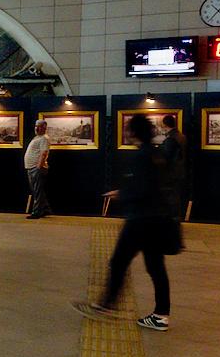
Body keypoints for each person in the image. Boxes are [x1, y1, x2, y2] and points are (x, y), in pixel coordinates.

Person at [73, 114, 173, 331]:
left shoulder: (141, 156)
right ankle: (161, 315)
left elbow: (141, 190)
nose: (126, 132)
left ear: (134, 132)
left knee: (119, 262)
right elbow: (154, 186)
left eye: (128, 129)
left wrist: (122, 194)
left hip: (140, 220)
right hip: (157, 219)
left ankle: (106, 306)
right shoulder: (156, 153)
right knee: (156, 267)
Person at [159, 114, 186, 226]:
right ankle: (176, 218)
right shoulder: (181, 136)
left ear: (164, 124)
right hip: (179, 171)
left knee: (170, 197)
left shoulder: (171, 139)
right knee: (176, 195)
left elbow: (166, 156)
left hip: (171, 172)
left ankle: (172, 220)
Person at [24, 119, 52, 219]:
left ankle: (37, 212)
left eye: (39, 126)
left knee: (37, 191)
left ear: (44, 128)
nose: (36, 128)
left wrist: (39, 167)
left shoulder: (44, 138)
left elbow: (44, 153)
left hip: (36, 168)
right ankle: (45, 209)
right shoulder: (37, 137)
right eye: (36, 126)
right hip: (31, 167)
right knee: (37, 190)